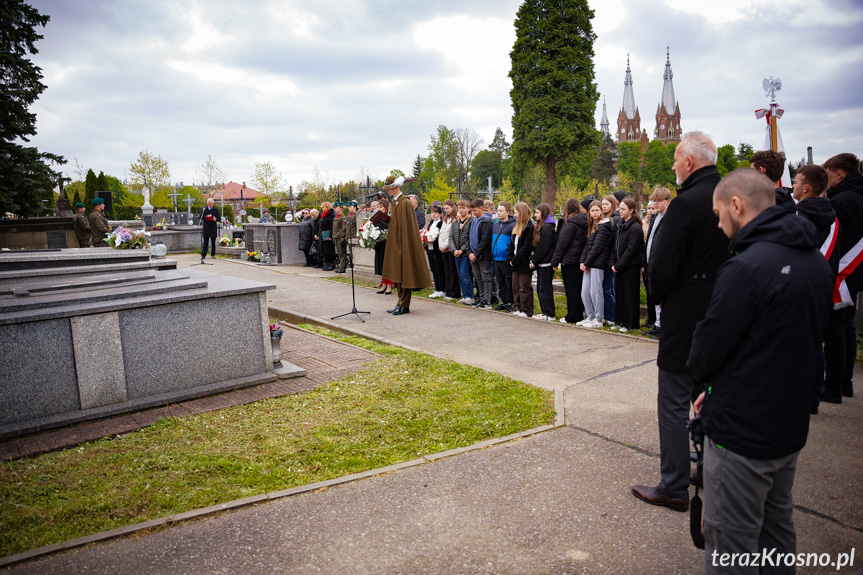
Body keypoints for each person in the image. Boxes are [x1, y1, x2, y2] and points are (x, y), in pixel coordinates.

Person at [688, 168, 832, 573]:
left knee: (731, 539)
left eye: (719, 214)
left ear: (737, 205)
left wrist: (715, 387)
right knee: (777, 529)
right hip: (788, 426)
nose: (719, 224)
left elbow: (705, 352)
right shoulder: (814, 261)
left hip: (741, 431)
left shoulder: (746, 268)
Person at [632, 130, 728, 513]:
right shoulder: (727, 196)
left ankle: (673, 485)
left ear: (689, 162)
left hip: (686, 313)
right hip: (721, 312)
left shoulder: (687, 204)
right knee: (708, 397)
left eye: (675, 158)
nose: (672, 164)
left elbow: (663, 264)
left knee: (673, 401)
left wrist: (656, 296)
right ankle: (707, 469)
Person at [793, 164, 839, 414]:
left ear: (807, 188)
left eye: (797, 182)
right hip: (823, 285)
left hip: (799, 285)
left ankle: (800, 395)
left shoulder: (798, 217)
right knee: (815, 343)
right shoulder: (832, 216)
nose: (793, 186)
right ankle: (813, 396)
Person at [822, 152, 863, 403]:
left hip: (841, 272)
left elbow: (833, 239)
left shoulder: (842, 200)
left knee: (834, 330)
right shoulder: (857, 196)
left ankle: (834, 386)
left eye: (828, 176)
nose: (827, 182)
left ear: (840, 175)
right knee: (847, 328)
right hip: (855, 272)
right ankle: (845, 382)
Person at [381, 176, 431, 315]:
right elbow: (396, 223)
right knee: (397, 273)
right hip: (396, 241)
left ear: (394, 187)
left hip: (403, 243)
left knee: (405, 274)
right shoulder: (396, 202)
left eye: (389, 188)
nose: (388, 192)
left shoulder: (405, 203)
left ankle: (404, 304)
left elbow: (408, 226)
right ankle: (399, 302)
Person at [578, 200, 613, 328]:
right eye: (592, 210)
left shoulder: (604, 226)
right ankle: (590, 316)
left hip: (598, 263)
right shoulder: (593, 226)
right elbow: (588, 246)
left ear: (601, 211)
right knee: (585, 291)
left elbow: (597, 247)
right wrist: (582, 261)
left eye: (597, 210)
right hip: (589, 263)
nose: (594, 213)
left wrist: (586, 262)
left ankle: (598, 319)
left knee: (596, 292)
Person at [552, 198, 588, 324]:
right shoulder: (584, 221)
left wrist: (555, 261)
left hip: (570, 259)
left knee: (571, 290)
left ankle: (572, 316)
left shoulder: (570, 224)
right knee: (578, 289)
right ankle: (579, 313)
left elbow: (562, 244)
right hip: (580, 259)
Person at [611, 198, 644, 332]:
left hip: (630, 267)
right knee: (620, 294)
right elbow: (616, 245)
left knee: (630, 295)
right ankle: (620, 320)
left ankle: (631, 323)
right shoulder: (621, 225)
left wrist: (619, 265)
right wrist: (614, 262)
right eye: (620, 209)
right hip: (620, 265)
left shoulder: (635, 228)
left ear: (631, 211)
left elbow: (631, 250)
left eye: (623, 209)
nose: (620, 212)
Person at [643, 187, 672, 335]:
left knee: (662, 296)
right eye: (654, 201)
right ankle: (657, 324)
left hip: (660, 262)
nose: (655, 204)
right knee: (653, 294)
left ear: (668, 201)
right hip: (650, 261)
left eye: (658, 201)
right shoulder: (655, 217)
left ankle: (663, 327)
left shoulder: (670, 218)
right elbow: (650, 241)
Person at [531, 202, 556, 321]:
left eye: (537, 213)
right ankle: (544, 311)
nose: (535, 215)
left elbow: (544, 247)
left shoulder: (547, 228)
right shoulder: (543, 227)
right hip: (542, 263)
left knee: (545, 288)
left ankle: (549, 313)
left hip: (546, 263)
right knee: (541, 288)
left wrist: (534, 260)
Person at [508, 202, 535, 317]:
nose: (514, 215)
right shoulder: (517, 226)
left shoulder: (529, 227)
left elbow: (526, 247)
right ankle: (519, 307)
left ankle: (527, 310)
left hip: (523, 262)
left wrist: (515, 259)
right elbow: (512, 244)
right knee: (516, 287)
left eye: (516, 213)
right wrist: (510, 257)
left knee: (524, 287)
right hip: (514, 262)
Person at [468, 198, 493, 309]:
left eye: (475, 210)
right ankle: (481, 298)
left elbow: (485, 240)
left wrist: (476, 254)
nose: (473, 213)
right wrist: (469, 252)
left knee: (485, 277)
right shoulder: (473, 221)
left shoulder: (486, 222)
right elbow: (468, 238)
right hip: (473, 254)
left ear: (481, 208)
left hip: (483, 255)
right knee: (478, 277)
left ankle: (487, 300)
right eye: (472, 211)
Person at [491, 201, 516, 312]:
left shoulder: (512, 225)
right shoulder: (495, 225)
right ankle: (504, 301)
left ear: (507, 212)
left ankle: (511, 303)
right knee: (500, 282)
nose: (498, 213)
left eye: (501, 211)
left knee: (508, 282)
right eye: (497, 211)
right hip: (496, 258)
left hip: (505, 258)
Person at [600, 194, 620, 325]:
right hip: (606, 258)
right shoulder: (607, 219)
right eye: (602, 204)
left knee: (607, 289)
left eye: (606, 204)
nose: (604, 207)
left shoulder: (614, 220)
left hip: (609, 259)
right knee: (608, 288)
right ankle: (609, 315)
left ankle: (611, 316)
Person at [450, 199, 475, 305]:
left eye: (463, 208)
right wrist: (454, 249)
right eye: (459, 208)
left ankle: (470, 296)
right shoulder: (455, 221)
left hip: (465, 253)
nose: (461, 210)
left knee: (465, 274)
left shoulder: (471, 221)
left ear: (468, 209)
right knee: (460, 275)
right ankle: (464, 295)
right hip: (457, 253)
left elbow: (470, 238)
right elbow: (451, 237)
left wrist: (462, 250)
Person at [439, 199, 460, 301]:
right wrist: (440, 245)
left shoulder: (456, 219)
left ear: (453, 207)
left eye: (447, 208)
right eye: (444, 209)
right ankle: (448, 291)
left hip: (451, 248)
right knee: (446, 270)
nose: (446, 210)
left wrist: (445, 246)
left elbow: (451, 235)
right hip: (443, 248)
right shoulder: (445, 219)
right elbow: (442, 233)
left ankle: (454, 292)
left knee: (452, 270)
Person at [423, 205, 446, 297]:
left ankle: (442, 289)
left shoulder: (441, 223)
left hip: (437, 249)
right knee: (433, 269)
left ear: (440, 214)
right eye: (432, 212)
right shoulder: (431, 222)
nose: (433, 215)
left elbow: (440, 236)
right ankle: (437, 288)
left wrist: (433, 240)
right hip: (430, 248)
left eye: (436, 213)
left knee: (439, 269)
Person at [371, 199, 392, 294]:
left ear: (386, 208)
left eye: (382, 207)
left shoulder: (391, 216)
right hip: (379, 243)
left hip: (388, 243)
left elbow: (394, 226)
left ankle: (389, 286)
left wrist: (386, 225)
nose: (380, 208)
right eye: (379, 206)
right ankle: (383, 284)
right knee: (382, 265)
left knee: (388, 265)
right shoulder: (377, 216)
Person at [199, 198, 221, 263]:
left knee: (213, 242)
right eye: (210, 204)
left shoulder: (216, 209)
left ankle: (213, 254)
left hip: (213, 227)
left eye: (212, 204)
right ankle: (203, 255)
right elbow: (200, 217)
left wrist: (215, 219)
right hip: (206, 227)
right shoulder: (204, 209)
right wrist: (206, 216)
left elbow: (219, 218)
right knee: (205, 242)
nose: (211, 205)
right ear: (207, 203)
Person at [318, 202, 335, 271]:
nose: (322, 209)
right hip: (323, 234)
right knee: (324, 250)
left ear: (327, 207)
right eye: (322, 207)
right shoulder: (323, 215)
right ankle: (326, 263)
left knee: (329, 250)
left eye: (324, 207)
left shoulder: (331, 215)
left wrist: (330, 235)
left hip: (328, 234)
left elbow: (332, 226)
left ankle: (330, 263)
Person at [331, 202, 347, 273]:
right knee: (339, 253)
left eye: (337, 208)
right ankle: (341, 266)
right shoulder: (335, 217)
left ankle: (343, 266)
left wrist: (343, 238)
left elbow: (344, 228)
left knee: (342, 253)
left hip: (340, 237)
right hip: (336, 237)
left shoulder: (343, 217)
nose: (335, 209)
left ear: (341, 208)